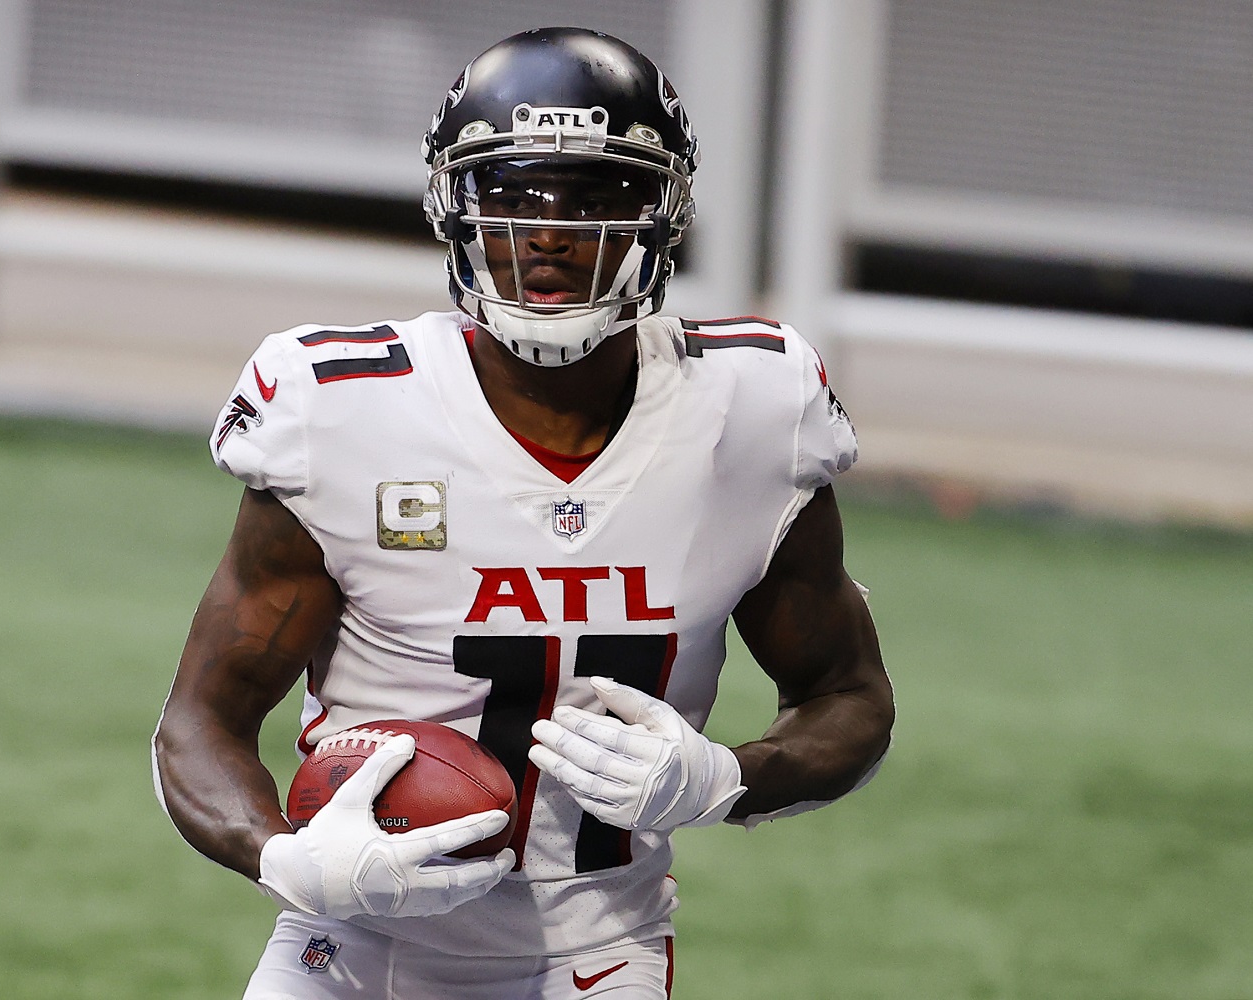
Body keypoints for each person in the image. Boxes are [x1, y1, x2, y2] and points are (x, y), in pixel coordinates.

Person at [153, 26, 894, 1000]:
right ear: (453, 206)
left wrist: (722, 777)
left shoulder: (751, 411)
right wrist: (290, 859)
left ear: (658, 217)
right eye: (511, 193)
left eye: (593, 197)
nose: (549, 231)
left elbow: (851, 696)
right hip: (353, 943)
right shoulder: (340, 409)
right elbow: (199, 723)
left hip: (596, 949)